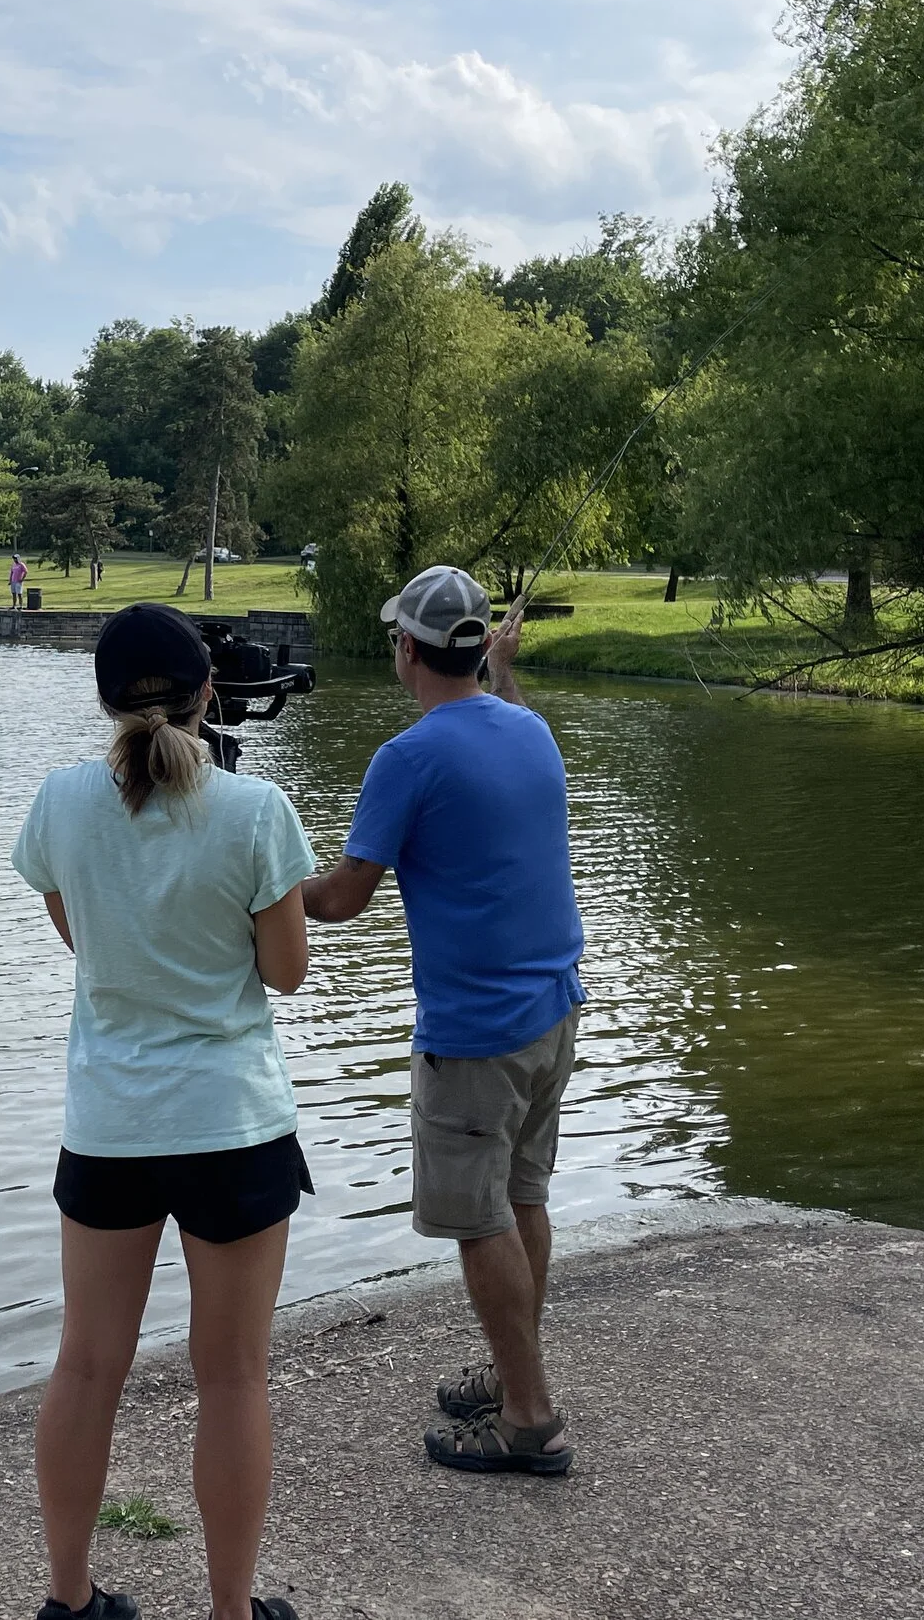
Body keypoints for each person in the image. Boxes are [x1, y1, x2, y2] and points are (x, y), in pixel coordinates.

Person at [14, 602, 315, 1620]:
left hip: (110, 1126)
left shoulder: (59, 803)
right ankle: (231, 1612)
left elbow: (84, 941)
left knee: (86, 1365)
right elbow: (284, 975)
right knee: (231, 1378)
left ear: (102, 703)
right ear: (209, 695)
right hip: (231, 1124)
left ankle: (70, 1600)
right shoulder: (256, 810)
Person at [300, 565, 586, 1477]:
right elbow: (509, 711)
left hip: (475, 1033)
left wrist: (261, 890)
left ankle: (528, 1417)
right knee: (524, 1199)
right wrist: (505, 671)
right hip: (552, 1016)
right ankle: (516, 1380)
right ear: (477, 647)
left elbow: (343, 898)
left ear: (408, 649)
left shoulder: (408, 757)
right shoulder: (530, 730)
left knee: (478, 1218)